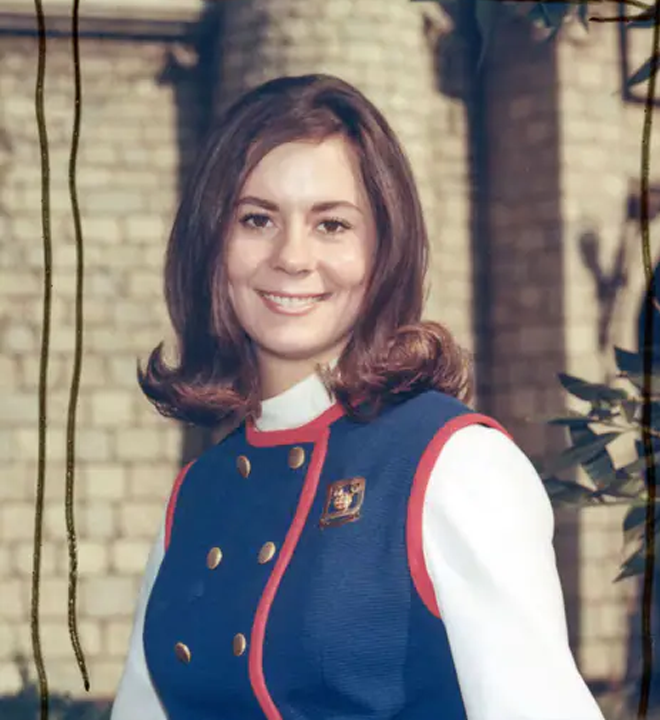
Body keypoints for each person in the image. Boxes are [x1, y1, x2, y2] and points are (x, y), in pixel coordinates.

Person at [111, 74, 604, 720]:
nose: (292, 256)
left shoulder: (455, 464)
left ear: (384, 250)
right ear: (212, 244)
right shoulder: (195, 497)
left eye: (332, 225)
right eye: (257, 219)